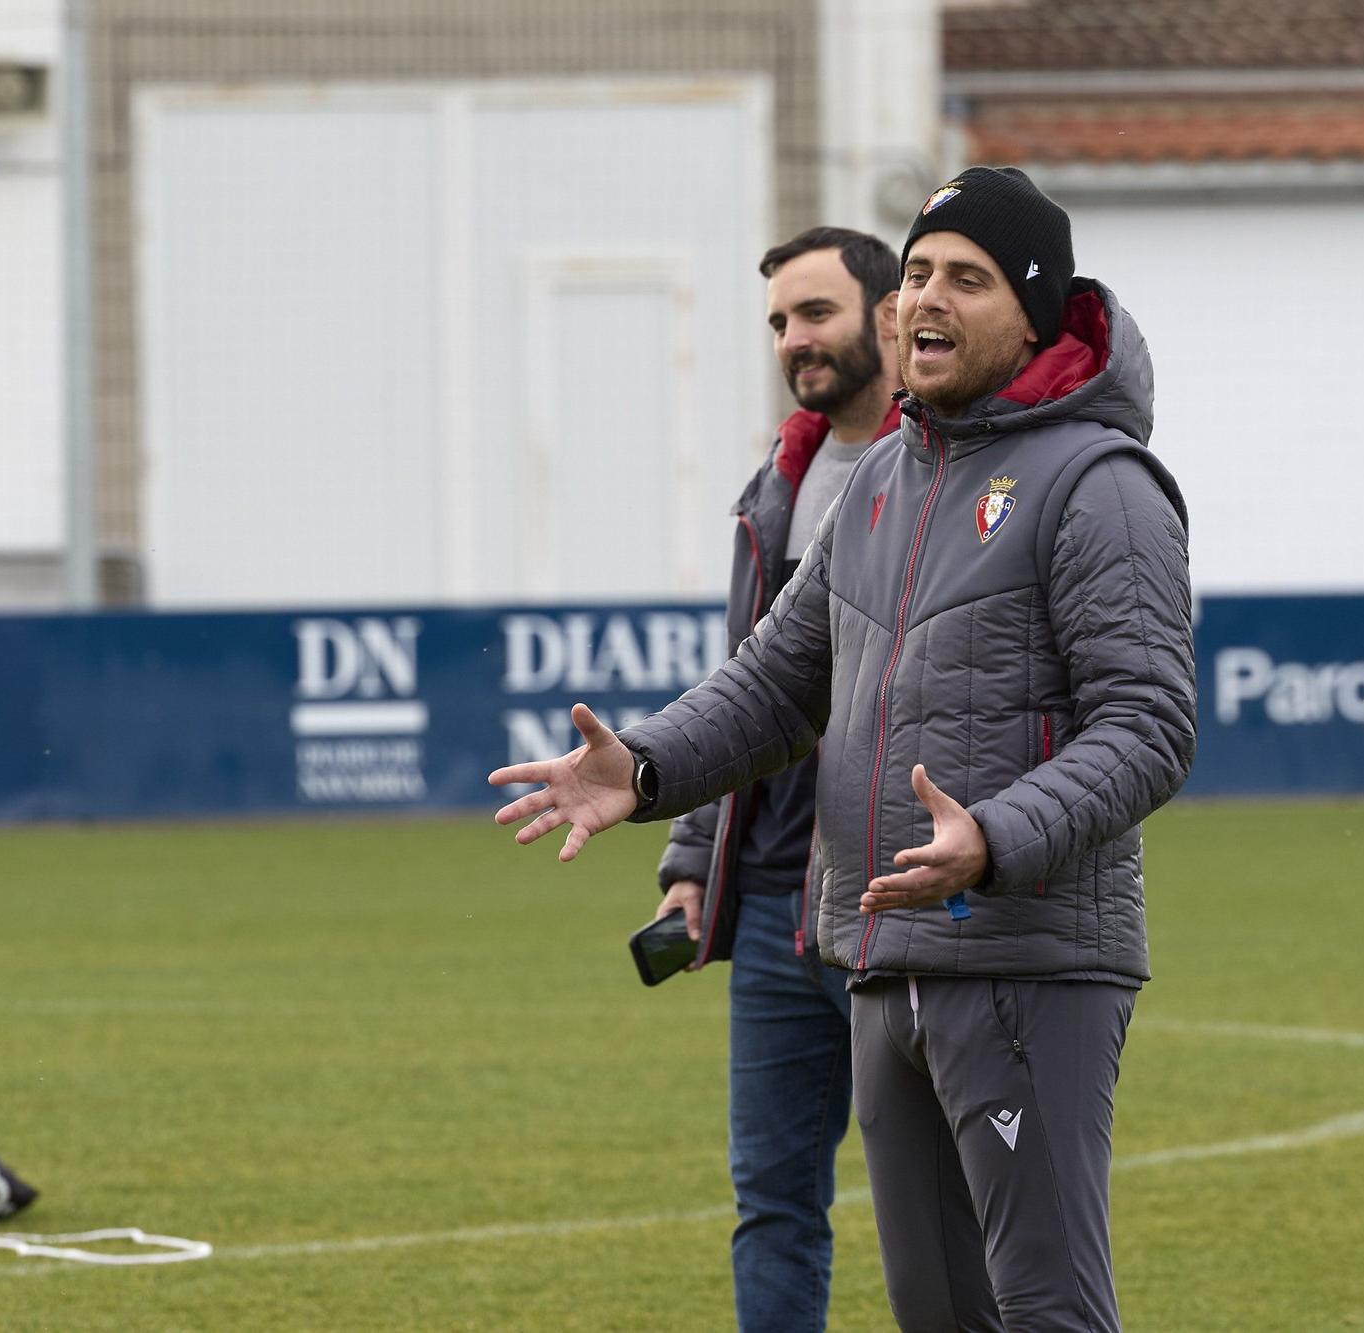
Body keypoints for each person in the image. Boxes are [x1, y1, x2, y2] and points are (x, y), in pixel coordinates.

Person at [493, 167, 1196, 1333]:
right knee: (937, 1314)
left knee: (1046, 1309)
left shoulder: (1098, 483)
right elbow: (775, 682)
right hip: (879, 956)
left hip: (1025, 961)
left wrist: (999, 836)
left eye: (965, 278)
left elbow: (1148, 725)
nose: (926, 296)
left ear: (1030, 314)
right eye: (916, 271)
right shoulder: (878, 478)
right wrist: (647, 766)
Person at [651, 226, 902, 1333]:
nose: (793, 341)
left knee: (939, 1199)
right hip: (763, 904)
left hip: (890, 892)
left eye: (815, 314)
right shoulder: (779, 482)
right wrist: (691, 861)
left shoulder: (944, 467)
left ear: (888, 316)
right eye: (777, 323)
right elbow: (742, 689)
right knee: (772, 1205)